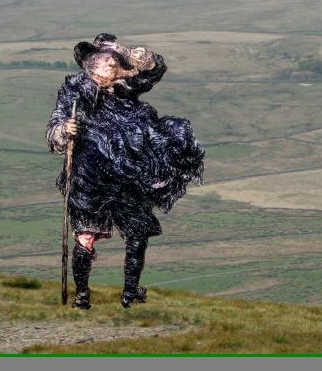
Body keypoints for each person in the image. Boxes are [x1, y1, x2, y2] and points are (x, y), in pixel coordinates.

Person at [48, 34, 205, 309]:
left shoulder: (125, 87)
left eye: (113, 62)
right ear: (90, 63)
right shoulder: (74, 90)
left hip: (129, 176)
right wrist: (64, 130)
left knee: (137, 233)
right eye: (103, 61)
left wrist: (139, 57)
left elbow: (155, 70)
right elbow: (56, 125)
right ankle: (82, 295)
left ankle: (130, 291)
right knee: (85, 233)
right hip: (90, 176)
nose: (109, 66)